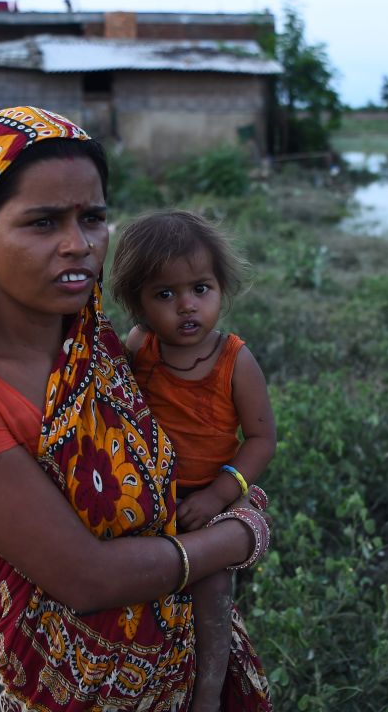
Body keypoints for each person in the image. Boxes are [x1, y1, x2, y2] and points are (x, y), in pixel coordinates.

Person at [0, 106, 273, 711]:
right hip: (77, 694)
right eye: (42, 223)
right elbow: (84, 578)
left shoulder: (98, 349)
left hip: (186, 675)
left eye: (92, 218)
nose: (79, 245)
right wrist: (239, 534)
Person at [111, 211, 276, 712]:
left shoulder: (234, 360)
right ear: (138, 304)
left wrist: (218, 495)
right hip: (146, 496)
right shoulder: (142, 347)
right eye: (164, 294)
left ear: (221, 287)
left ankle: (207, 693)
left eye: (200, 288)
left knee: (212, 582)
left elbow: (262, 438)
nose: (186, 305)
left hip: (210, 492)